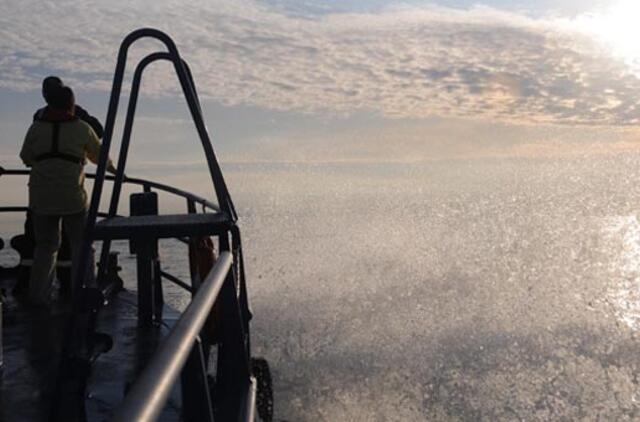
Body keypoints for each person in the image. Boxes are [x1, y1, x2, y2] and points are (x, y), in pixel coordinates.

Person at [20, 85, 116, 308]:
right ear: (71, 104)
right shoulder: (82, 128)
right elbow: (100, 157)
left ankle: (39, 297)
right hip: (72, 196)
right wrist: (115, 171)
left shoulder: (36, 128)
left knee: (45, 247)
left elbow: (26, 157)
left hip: (41, 197)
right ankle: (82, 294)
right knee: (82, 245)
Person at [34, 76, 104, 138]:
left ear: (43, 94)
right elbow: (99, 132)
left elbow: (99, 131)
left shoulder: (39, 115)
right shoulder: (77, 111)